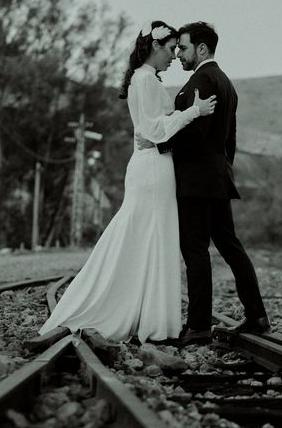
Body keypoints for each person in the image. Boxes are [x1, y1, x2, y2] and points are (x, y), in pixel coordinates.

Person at [37, 21, 216, 344]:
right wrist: (193, 112)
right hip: (153, 170)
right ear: (156, 47)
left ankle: (146, 314)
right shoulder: (145, 80)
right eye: (171, 48)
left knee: (147, 237)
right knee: (149, 236)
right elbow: (153, 130)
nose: (174, 56)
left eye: (179, 48)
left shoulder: (144, 79)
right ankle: (150, 319)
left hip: (153, 166)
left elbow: (151, 129)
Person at [138, 22, 270, 345]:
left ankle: (198, 325)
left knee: (195, 249)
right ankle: (257, 315)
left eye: (182, 48)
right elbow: (230, 139)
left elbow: (194, 133)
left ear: (201, 48)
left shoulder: (202, 80)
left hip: (196, 181)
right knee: (229, 245)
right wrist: (222, 169)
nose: (179, 54)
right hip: (218, 178)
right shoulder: (227, 84)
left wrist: (161, 145)